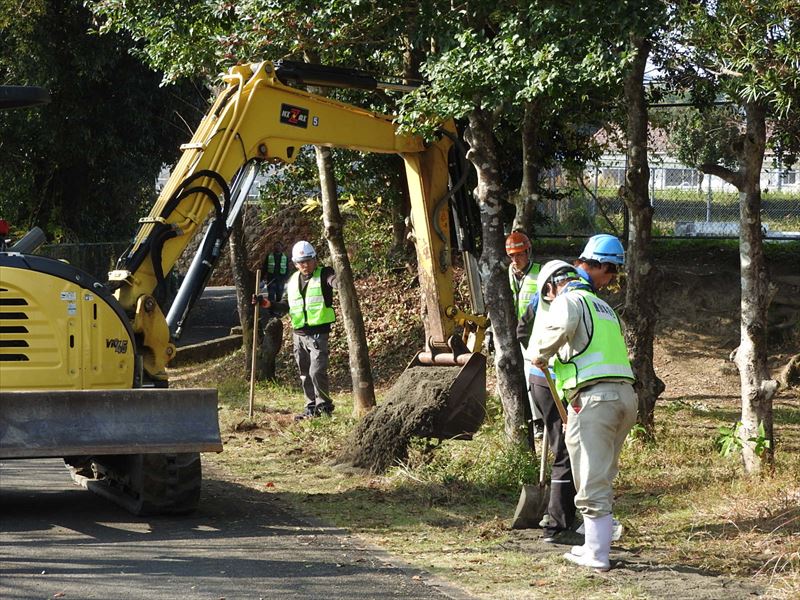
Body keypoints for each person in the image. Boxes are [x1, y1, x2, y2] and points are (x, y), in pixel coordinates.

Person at [529, 255, 637, 572]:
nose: (548, 301)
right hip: (624, 397)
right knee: (603, 472)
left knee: (590, 479)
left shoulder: (568, 300)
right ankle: (591, 545)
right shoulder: (603, 308)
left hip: (594, 398)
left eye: (547, 295)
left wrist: (540, 352)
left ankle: (597, 554)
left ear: (553, 286)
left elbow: (556, 330)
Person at [254, 240, 337, 420]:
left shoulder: (325, 274)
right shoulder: (291, 281)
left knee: (317, 371)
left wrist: (339, 282)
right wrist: (265, 303)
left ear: (315, 259)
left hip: (318, 332)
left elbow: (334, 281)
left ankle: (324, 407)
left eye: (308, 260)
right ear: (295, 263)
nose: (305, 265)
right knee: (304, 373)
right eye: (301, 262)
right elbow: (285, 305)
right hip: (298, 334)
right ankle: (311, 407)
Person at [505, 231, 544, 440]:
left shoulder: (540, 274)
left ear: (528, 252)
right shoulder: (505, 276)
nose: (515, 259)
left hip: (535, 334)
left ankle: (539, 421)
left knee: (534, 377)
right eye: (512, 255)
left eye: (519, 254)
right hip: (514, 336)